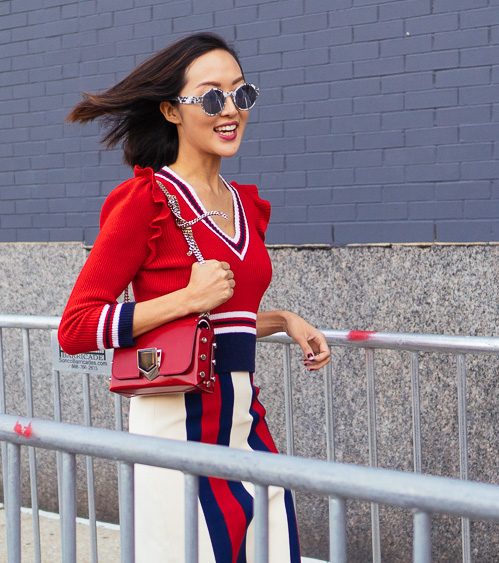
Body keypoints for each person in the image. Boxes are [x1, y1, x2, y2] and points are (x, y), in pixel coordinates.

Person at [58, 32, 331, 563]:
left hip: (244, 421)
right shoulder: (147, 200)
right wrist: (186, 298)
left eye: (240, 94)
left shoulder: (244, 205)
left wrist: (280, 320)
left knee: (273, 548)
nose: (229, 110)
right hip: (173, 427)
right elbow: (76, 327)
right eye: (210, 97)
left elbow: (219, 321)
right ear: (172, 111)